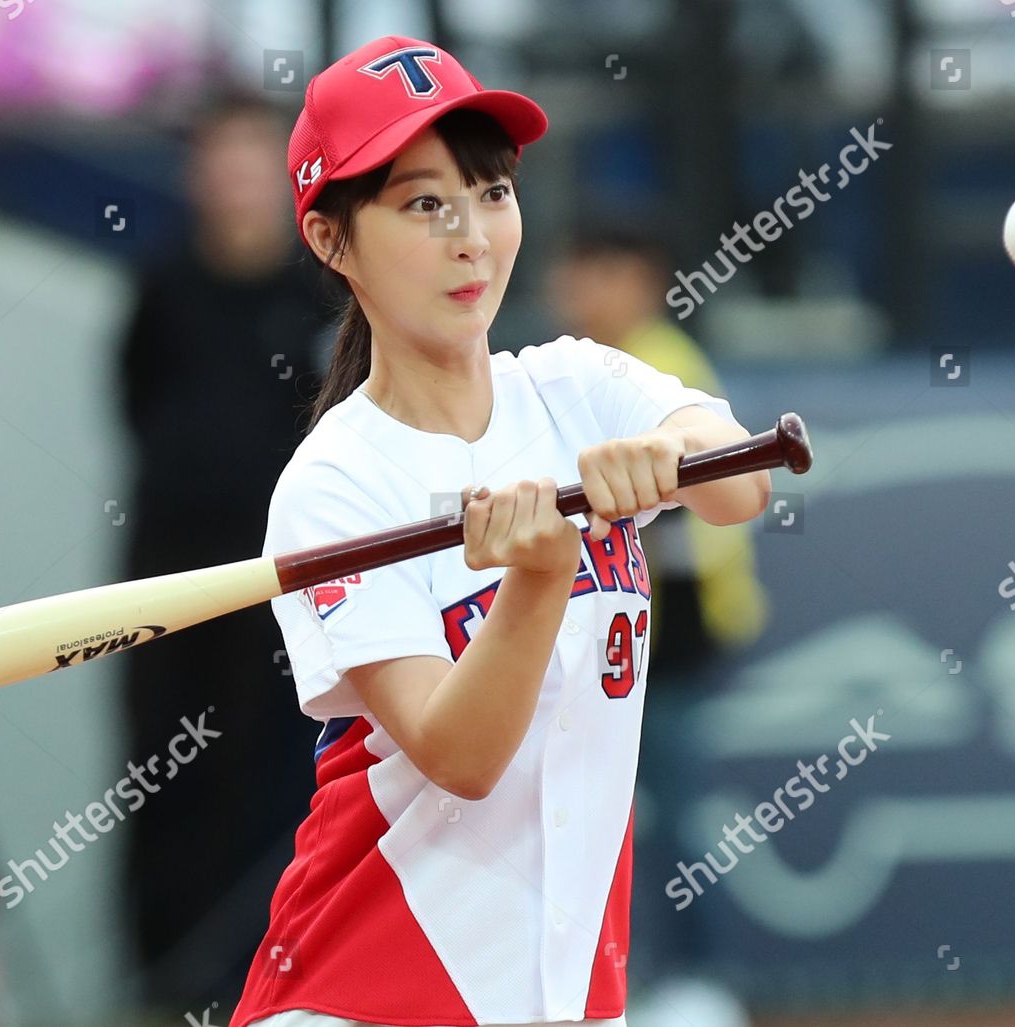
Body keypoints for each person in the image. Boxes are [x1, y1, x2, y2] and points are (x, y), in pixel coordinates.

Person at [227, 36, 770, 1027]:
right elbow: (460, 756)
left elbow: (741, 485)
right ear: (331, 239)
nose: (472, 235)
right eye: (424, 204)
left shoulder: (576, 384)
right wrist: (534, 582)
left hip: (558, 993)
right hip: (364, 991)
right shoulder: (337, 484)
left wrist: (677, 452)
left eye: (491, 192)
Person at [115, 89, 332, 1010]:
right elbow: (133, 404)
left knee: (276, 778)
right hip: (168, 576)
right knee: (163, 769)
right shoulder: (162, 286)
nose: (234, 177)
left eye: (254, 157)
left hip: (285, 584)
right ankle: (163, 978)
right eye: (219, 155)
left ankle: (268, 977)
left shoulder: (319, 291)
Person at [545, 224, 769, 680]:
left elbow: (741, 486)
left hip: (674, 616)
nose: (583, 289)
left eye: (605, 273)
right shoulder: (572, 365)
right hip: (623, 622)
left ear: (646, 283)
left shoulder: (657, 364)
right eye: (577, 271)